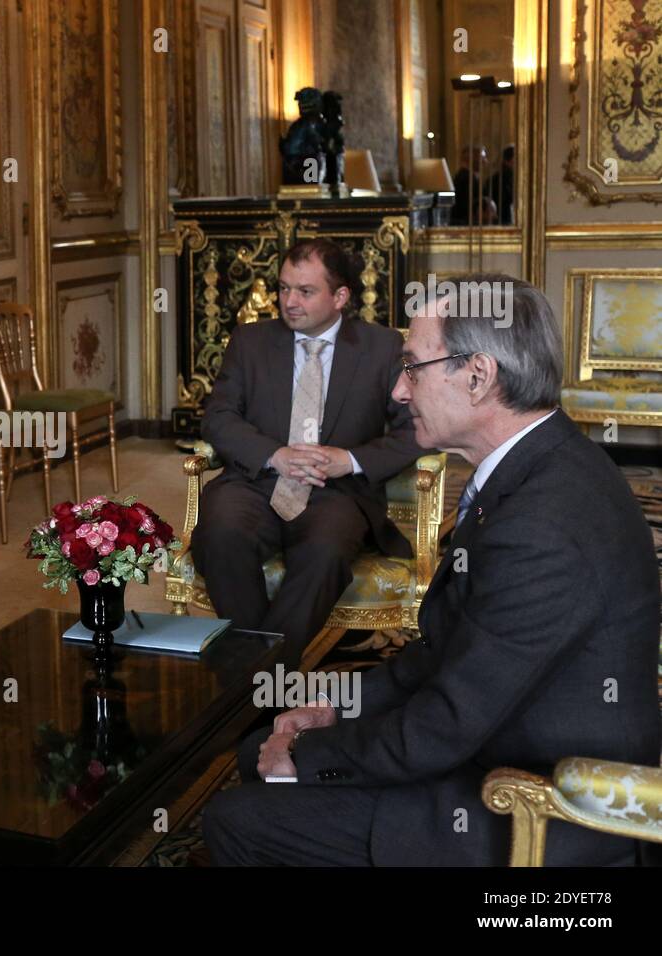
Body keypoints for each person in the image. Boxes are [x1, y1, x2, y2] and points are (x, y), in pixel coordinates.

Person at [202, 275, 661, 866]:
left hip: (535, 801)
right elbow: (447, 651)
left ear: (478, 376)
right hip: (497, 737)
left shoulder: (544, 524)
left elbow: (446, 723)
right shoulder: (534, 465)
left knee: (237, 820)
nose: (398, 390)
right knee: (257, 754)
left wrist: (311, 753)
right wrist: (335, 705)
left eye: (413, 367)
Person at [193, 238, 428, 667]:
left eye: (305, 291)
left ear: (340, 297)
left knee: (324, 553)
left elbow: (415, 428)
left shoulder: (382, 347)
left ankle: (253, 675)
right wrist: (274, 454)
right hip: (255, 482)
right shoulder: (250, 341)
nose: (289, 301)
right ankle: (262, 678)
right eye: (284, 288)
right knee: (221, 535)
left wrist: (349, 460)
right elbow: (218, 417)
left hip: (336, 492)